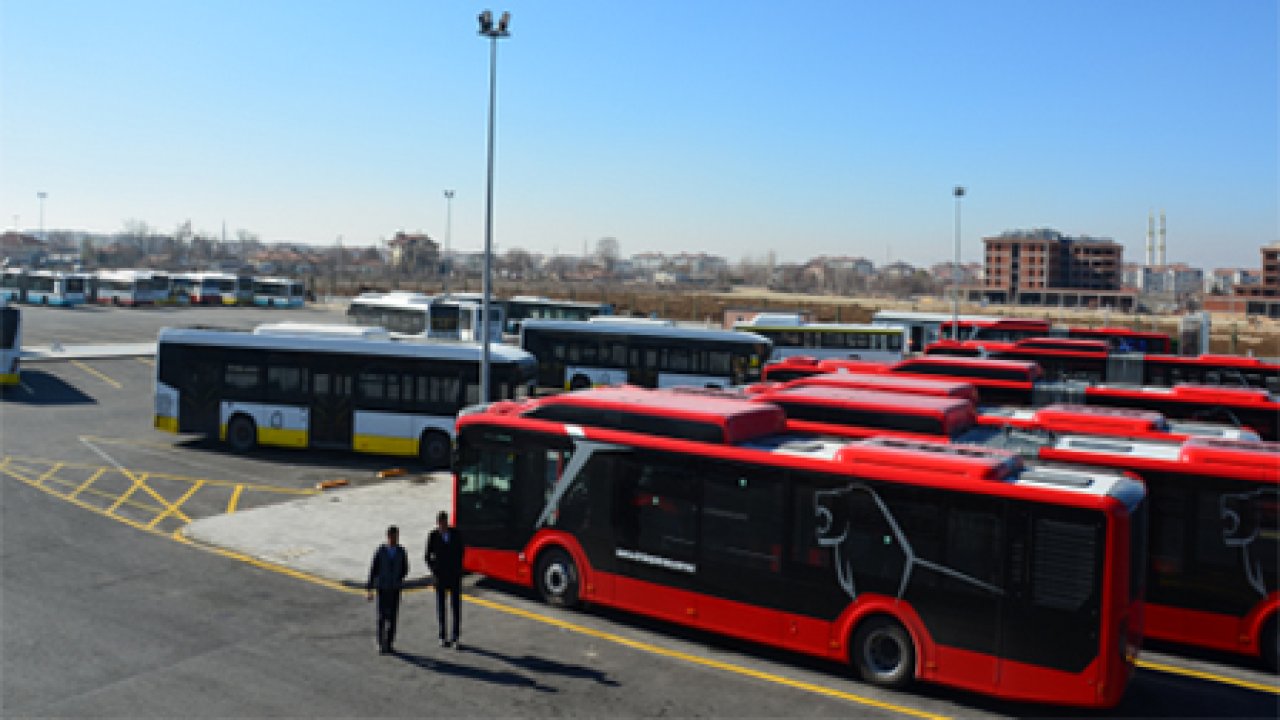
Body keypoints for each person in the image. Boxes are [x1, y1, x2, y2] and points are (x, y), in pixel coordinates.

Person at [366, 525, 409, 654]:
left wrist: (398, 578)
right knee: (381, 617)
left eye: (396, 536)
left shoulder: (401, 551)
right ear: (388, 536)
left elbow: (405, 568)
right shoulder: (381, 551)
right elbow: (373, 569)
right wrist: (370, 588)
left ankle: (389, 643)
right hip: (383, 588)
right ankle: (380, 642)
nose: (394, 539)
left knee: (393, 617)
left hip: (394, 588)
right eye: (392, 536)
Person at [426, 510, 465, 648]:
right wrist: (434, 570)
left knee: (456, 607)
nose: (443, 525)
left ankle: (456, 637)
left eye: (444, 522)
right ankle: (442, 635)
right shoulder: (433, 536)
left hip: (454, 576)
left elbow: (461, 551)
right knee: (441, 607)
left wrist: (459, 568)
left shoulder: (455, 534)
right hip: (440, 577)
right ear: (437, 523)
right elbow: (428, 555)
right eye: (440, 523)